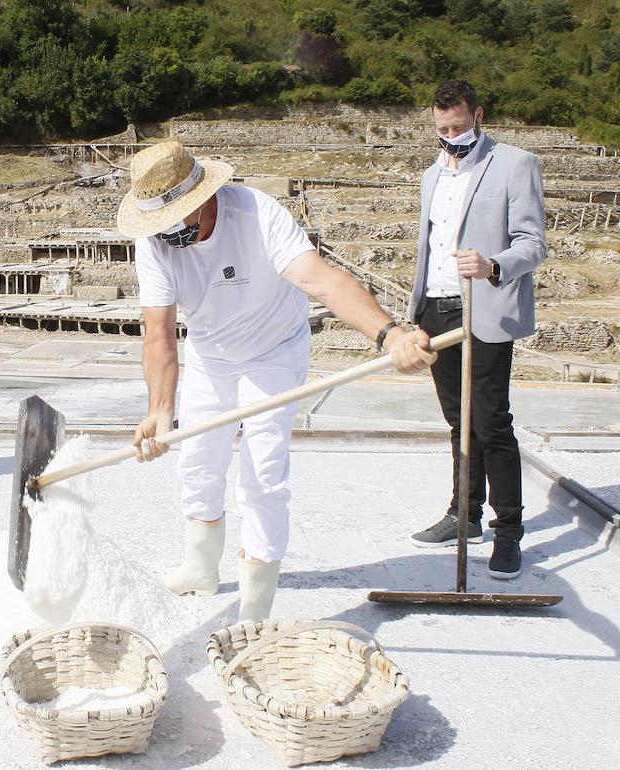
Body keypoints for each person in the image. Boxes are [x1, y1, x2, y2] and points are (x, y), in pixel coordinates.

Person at [122, 141, 437, 622]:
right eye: (159, 226)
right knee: (198, 463)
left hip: (273, 352)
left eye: (175, 221)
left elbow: (324, 282)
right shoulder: (153, 243)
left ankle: (254, 605)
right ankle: (200, 568)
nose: (166, 234)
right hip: (211, 355)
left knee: (263, 473)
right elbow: (159, 334)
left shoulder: (257, 213)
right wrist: (160, 410)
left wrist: (389, 334)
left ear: (204, 199)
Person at [405, 80, 546, 579]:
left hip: (483, 308)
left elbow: (533, 243)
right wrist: (414, 311)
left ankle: (508, 533)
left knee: (490, 422)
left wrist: (492, 265)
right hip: (436, 309)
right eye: (442, 129)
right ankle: (464, 515)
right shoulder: (430, 176)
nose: (450, 135)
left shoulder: (514, 163)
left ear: (478, 115)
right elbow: (426, 247)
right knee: (457, 420)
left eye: (459, 126)